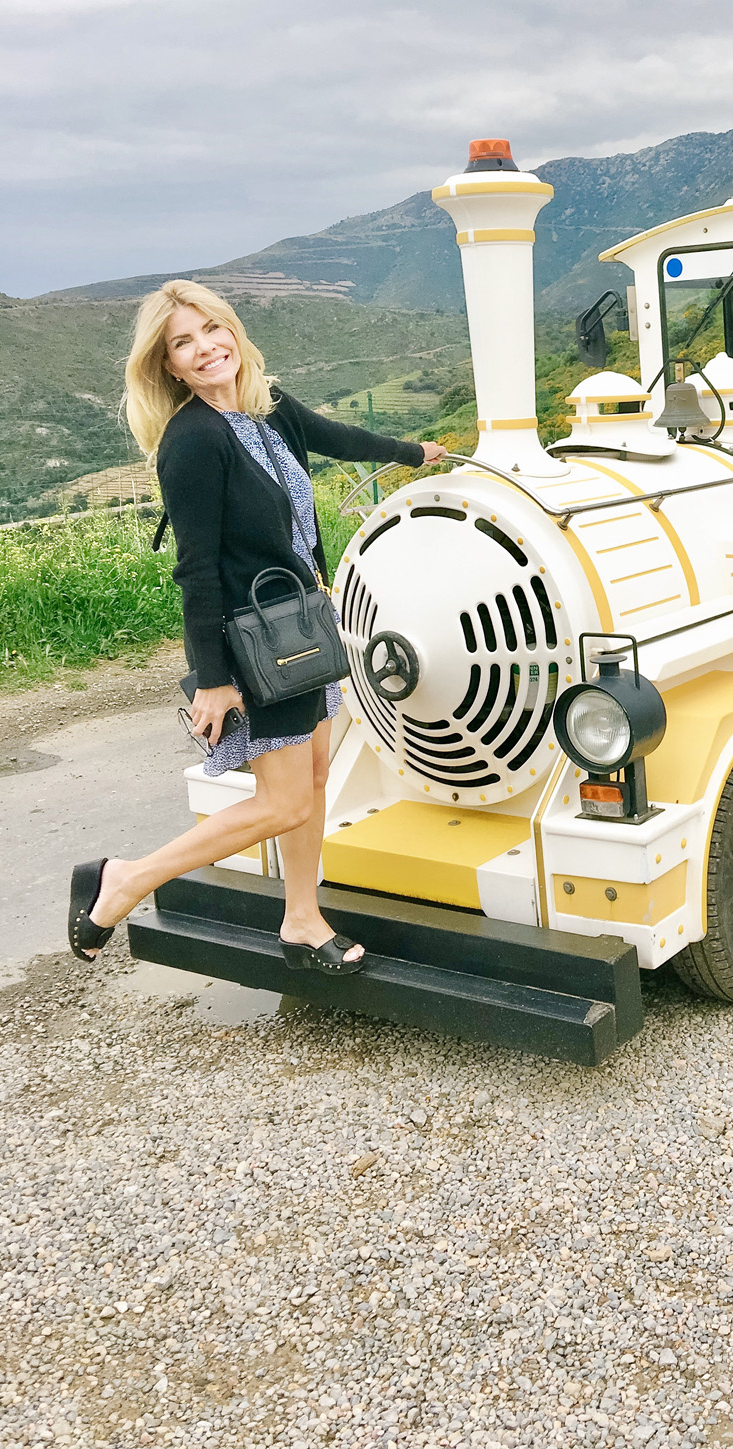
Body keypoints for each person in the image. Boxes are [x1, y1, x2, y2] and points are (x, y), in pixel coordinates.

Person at [66, 280, 446, 973]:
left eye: (212, 329)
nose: (206, 347)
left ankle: (301, 918)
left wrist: (413, 451)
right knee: (283, 802)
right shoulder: (192, 441)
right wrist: (213, 680)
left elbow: (339, 437)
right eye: (184, 342)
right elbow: (196, 570)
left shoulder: (267, 405)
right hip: (256, 643)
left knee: (316, 777)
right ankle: (124, 878)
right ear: (169, 365)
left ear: (233, 330)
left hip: (304, 628)